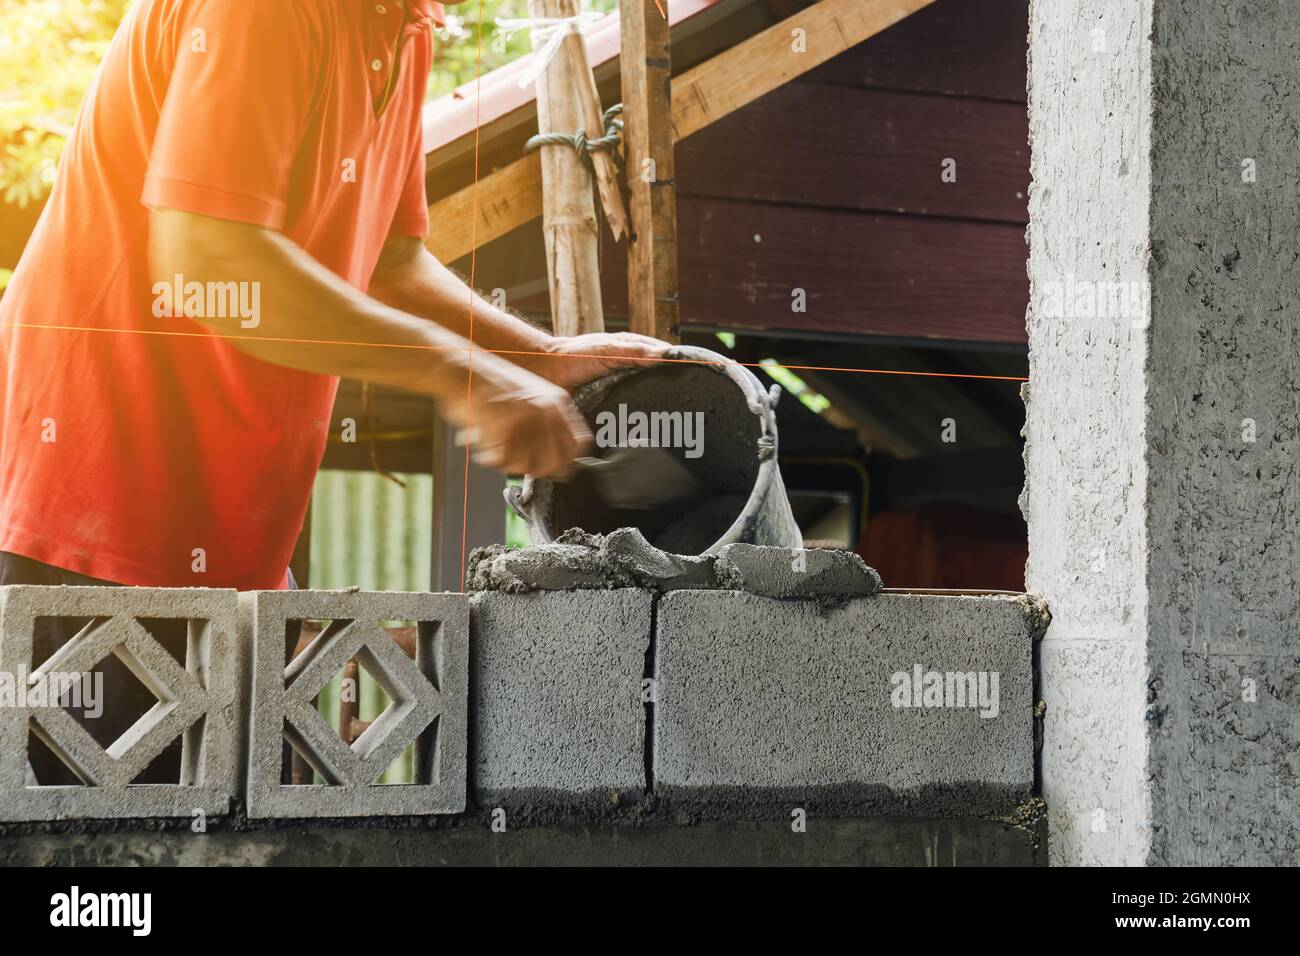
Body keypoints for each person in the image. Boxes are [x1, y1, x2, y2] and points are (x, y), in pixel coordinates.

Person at [0, 0, 666, 782]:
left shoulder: (406, 29)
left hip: (235, 547)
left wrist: (537, 356)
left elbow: (389, 262)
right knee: (99, 851)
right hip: (89, 521)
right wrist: (465, 377)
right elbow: (207, 265)